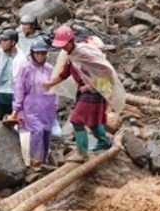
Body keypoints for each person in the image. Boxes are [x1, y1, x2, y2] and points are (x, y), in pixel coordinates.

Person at [42, 25, 126, 162]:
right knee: (93, 122)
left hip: (94, 92)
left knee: (76, 120)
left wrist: (90, 85)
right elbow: (65, 74)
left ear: (71, 41)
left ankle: (82, 153)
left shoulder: (83, 53)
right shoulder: (71, 56)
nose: (63, 48)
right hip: (84, 92)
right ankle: (103, 141)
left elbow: (106, 71)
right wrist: (50, 84)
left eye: (64, 45)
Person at [11, 38, 59, 175]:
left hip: (47, 107)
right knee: (36, 131)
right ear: (32, 53)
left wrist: (55, 104)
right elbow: (19, 89)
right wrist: (16, 108)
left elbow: (55, 88)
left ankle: (43, 160)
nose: (40, 56)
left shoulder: (49, 69)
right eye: (37, 53)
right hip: (30, 106)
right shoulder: (26, 69)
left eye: (43, 53)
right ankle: (35, 162)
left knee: (46, 132)